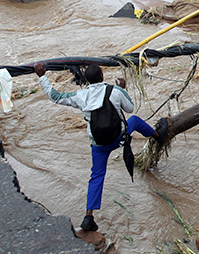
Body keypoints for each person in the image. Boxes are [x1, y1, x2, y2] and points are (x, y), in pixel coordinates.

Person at [34, 63, 166, 232]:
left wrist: (42, 76)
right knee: (134, 120)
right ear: (102, 77)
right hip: (118, 137)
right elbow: (130, 107)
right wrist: (122, 88)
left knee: (96, 176)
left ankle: (89, 217)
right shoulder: (115, 91)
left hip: (99, 145)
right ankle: (157, 136)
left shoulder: (81, 96)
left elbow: (56, 96)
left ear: (87, 80)